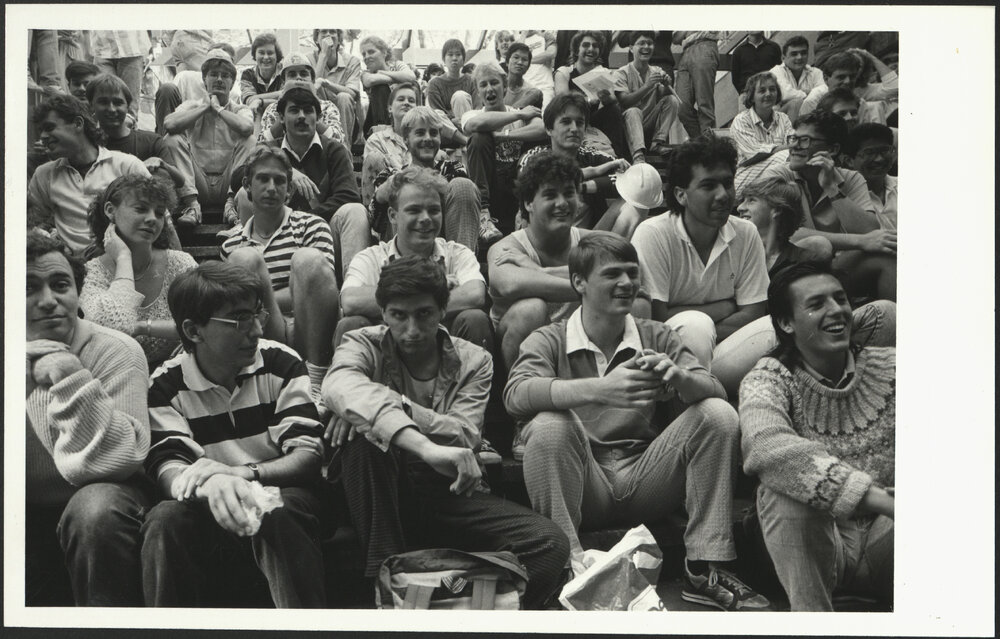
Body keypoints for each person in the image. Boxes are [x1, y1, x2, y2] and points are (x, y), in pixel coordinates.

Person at [504, 232, 771, 611]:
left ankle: (702, 567)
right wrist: (599, 389)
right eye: (613, 274)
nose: (627, 283)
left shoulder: (656, 335)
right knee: (548, 424)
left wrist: (679, 379)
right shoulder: (549, 338)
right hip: (584, 482)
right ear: (579, 282)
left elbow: (712, 387)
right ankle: (568, 568)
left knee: (717, 413)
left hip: (647, 479)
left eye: (632, 273)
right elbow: (516, 395)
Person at [323, 255, 570, 609]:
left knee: (550, 545)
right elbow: (339, 384)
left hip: (448, 490)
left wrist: (390, 406)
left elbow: (463, 435)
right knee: (363, 438)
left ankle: (467, 608)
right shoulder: (362, 342)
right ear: (383, 312)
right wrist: (422, 444)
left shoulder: (474, 359)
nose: (411, 329)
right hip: (377, 496)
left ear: (442, 310)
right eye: (398, 315)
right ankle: (387, 591)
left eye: (423, 314)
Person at [143, 261, 336, 608]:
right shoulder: (166, 386)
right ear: (193, 330)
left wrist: (239, 475)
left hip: (283, 498)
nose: (256, 331)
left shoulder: (281, 363)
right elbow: (168, 468)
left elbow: (307, 457)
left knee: (277, 509)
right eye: (239, 320)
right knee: (164, 518)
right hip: (209, 506)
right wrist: (211, 485)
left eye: (256, 315)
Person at [739, 262, 895, 611]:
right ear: (786, 323)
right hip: (818, 545)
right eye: (817, 304)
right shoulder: (767, 380)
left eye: (840, 298)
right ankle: (813, 624)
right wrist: (871, 496)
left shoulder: (896, 367)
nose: (837, 310)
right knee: (784, 486)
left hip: (889, 538)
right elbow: (766, 446)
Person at [25, 230, 153, 606]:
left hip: (104, 503)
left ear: (77, 292)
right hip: (26, 511)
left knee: (95, 507)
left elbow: (112, 461)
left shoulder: (116, 350)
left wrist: (66, 373)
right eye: (29, 287)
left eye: (60, 284)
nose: (49, 301)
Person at [710, 176, 895, 400]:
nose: (740, 207)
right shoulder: (729, 254)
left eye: (751, 200)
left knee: (884, 311)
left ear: (776, 211)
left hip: (792, 347)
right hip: (733, 351)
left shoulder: (804, 260)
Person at [488, 153, 649, 370]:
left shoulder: (589, 241)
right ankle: (526, 400)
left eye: (569, 193)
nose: (562, 203)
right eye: (550, 195)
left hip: (579, 351)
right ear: (528, 203)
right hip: (522, 359)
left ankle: (625, 390)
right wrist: (600, 287)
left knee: (638, 303)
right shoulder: (506, 248)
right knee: (530, 310)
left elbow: (630, 279)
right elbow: (512, 285)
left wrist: (538, 271)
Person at [631, 134, 769, 372]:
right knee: (696, 326)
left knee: (775, 327)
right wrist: (726, 307)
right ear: (680, 195)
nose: (723, 195)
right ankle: (693, 403)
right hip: (665, 353)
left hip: (725, 349)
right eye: (708, 186)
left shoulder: (746, 233)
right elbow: (656, 319)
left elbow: (754, 313)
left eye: (727, 183)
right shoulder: (653, 234)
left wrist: (706, 325)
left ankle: (713, 390)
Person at [219, 146, 341, 411]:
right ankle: (264, 375)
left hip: (308, 328)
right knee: (245, 259)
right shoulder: (231, 244)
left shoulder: (312, 225)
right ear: (247, 186)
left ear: (290, 190)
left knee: (307, 258)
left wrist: (263, 296)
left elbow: (321, 288)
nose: (272, 187)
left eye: (280, 180)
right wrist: (280, 299)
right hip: (264, 328)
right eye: (263, 179)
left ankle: (315, 380)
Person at [338, 166, 493, 353]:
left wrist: (398, 303)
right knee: (351, 324)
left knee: (474, 319)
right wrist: (434, 288)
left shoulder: (457, 254)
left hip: (445, 357)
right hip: (386, 359)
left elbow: (474, 294)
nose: (426, 218)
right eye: (414, 210)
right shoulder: (370, 258)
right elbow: (351, 300)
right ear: (392, 216)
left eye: (434, 210)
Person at [758, 111, 896, 301]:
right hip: (783, 270)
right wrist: (857, 242)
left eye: (805, 140)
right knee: (818, 245)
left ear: (832, 149)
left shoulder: (851, 178)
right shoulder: (778, 176)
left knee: (886, 253)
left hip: (833, 267)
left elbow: (869, 231)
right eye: (793, 139)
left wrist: (831, 188)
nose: (795, 146)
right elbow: (787, 233)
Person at [80, 175, 197, 370]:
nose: (152, 219)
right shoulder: (91, 273)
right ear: (110, 210)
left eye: (159, 213)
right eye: (141, 209)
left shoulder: (181, 264)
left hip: (180, 373)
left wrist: (142, 327)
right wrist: (123, 257)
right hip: (116, 376)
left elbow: (205, 323)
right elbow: (114, 327)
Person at [28, 93, 151, 254]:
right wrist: (52, 243)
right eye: (41, 131)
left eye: (49, 127)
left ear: (78, 124)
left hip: (122, 262)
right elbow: (30, 225)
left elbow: (161, 221)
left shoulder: (127, 166)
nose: (43, 136)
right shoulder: (44, 174)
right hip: (72, 267)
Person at [85, 73, 202, 227]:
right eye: (103, 102)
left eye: (118, 103)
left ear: (127, 107)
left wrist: (161, 164)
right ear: (91, 105)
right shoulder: (87, 146)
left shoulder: (151, 141)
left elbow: (178, 182)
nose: (111, 109)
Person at [369, 106, 489, 251]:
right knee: (397, 188)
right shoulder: (389, 175)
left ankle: (461, 264)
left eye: (433, 133)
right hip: (401, 254)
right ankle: (407, 265)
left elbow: (463, 200)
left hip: (447, 246)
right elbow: (375, 223)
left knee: (463, 186)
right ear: (406, 139)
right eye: (420, 133)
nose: (428, 138)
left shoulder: (453, 169)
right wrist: (391, 187)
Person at [516, 93, 635, 232]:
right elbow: (530, 184)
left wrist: (583, 187)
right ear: (549, 129)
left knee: (631, 204)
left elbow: (632, 180)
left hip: (584, 244)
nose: (574, 129)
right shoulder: (533, 157)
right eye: (566, 122)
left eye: (579, 123)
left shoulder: (592, 156)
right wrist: (588, 175)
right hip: (541, 238)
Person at [162, 49, 253, 221]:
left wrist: (219, 110)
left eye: (225, 76)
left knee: (249, 141)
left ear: (232, 82)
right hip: (197, 184)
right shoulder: (192, 106)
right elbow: (169, 124)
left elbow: (247, 128)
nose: (219, 79)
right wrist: (205, 107)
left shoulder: (240, 109)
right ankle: (192, 207)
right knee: (171, 139)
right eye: (213, 74)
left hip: (229, 183)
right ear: (204, 79)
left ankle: (231, 205)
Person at [462, 61, 546, 235]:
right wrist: (519, 113)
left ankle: (526, 210)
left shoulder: (523, 116)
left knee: (536, 143)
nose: (489, 89)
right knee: (479, 136)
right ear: (478, 92)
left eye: (494, 83)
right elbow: (475, 125)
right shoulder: (472, 114)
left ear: (505, 86)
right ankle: (482, 216)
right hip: (488, 189)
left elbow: (542, 129)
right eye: (483, 85)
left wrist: (502, 136)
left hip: (515, 187)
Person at [554, 31, 628, 159]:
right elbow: (562, 102)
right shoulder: (564, 72)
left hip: (594, 118)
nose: (591, 49)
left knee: (613, 110)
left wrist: (606, 98)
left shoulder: (603, 72)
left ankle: (618, 157)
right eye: (586, 45)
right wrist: (588, 100)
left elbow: (613, 99)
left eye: (595, 46)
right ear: (577, 50)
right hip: (573, 118)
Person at [614, 31, 681, 163]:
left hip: (647, 125)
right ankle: (638, 155)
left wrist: (666, 85)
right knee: (633, 111)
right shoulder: (621, 72)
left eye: (650, 43)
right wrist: (648, 85)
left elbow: (664, 98)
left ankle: (657, 143)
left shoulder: (656, 70)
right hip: (627, 129)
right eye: (641, 43)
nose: (646, 46)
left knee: (672, 100)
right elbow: (624, 102)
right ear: (631, 47)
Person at [154, 42, 242, 136]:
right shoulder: (184, 77)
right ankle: (162, 143)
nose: (219, 64)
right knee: (167, 89)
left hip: (213, 136)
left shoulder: (234, 91)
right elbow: (169, 103)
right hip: (180, 129)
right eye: (213, 61)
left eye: (225, 63)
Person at [729, 71, 795, 194]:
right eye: (762, 90)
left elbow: (793, 144)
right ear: (752, 96)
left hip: (775, 175)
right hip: (743, 179)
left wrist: (790, 148)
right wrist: (786, 149)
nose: (768, 94)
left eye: (772, 89)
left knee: (794, 161)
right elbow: (755, 153)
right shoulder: (741, 120)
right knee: (789, 158)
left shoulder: (783, 119)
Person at [258, 53, 345, 146]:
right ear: (284, 82)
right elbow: (262, 144)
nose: (298, 78)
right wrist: (282, 111)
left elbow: (338, 141)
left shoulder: (327, 107)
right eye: (292, 74)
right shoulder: (273, 109)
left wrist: (314, 110)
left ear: (312, 80)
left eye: (303, 74)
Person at [311, 29, 363, 145]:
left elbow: (352, 93)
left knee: (344, 96)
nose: (328, 34)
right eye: (324, 31)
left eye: (332, 31)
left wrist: (326, 83)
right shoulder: (308, 59)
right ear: (316, 39)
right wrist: (323, 56)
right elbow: (310, 91)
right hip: (317, 115)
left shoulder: (352, 61)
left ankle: (343, 149)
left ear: (339, 38)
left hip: (345, 118)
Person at [359, 35, 417, 135]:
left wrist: (383, 73)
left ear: (384, 52)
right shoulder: (365, 73)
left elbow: (411, 76)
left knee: (414, 86)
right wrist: (400, 79)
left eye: (371, 52)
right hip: (376, 123)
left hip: (402, 118)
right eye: (364, 54)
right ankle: (383, 134)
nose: (366, 57)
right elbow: (370, 81)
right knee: (380, 87)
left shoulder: (397, 64)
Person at [88, 30, 151, 120]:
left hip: (132, 49)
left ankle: (131, 132)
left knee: (130, 109)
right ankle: (106, 133)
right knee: (103, 102)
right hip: (101, 48)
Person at [845, 123, 897, 231]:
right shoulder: (845, 199)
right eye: (869, 153)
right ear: (849, 161)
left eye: (884, 150)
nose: (879, 159)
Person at [672, 31, 720, 138]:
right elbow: (675, 38)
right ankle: (701, 144)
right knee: (681, 108)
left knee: (704, 105)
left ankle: (710, 147)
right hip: (685, 52)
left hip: (705, 45)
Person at [768, 36, 824, 122]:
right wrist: (810, 94)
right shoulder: (776, 71)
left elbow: (823, 94)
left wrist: (810, 97)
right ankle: (791, 135)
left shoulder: (816, 72)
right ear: (783, 58)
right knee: (795, 104)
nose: (799, 57)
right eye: (794, 54)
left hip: (810, 115)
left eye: (803, 53)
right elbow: (786, 95)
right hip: (777, 120)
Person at [426, 38, 478, 129]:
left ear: (463, 59)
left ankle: (467, 138)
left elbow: (478, 108)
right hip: (446, 129)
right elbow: (436, 113)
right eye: (450, 55)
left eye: (458, 54)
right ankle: (465, 140)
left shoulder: (472, 81)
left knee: (460, 96)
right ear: (444, 59)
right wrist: (451, 120)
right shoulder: (435, 84)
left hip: (469, 125)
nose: (454, 58)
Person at [798, 52, 862, 118]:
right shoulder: (813, 101)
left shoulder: (860, 101)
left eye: (852, 77)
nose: (847, 81)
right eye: (841, 77)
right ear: (826, 79)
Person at [240, 33, 284, 127]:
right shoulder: (248, 74)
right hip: (257, 120)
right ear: (254, 55)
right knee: (256, 109)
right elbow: (249, 100)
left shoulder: (284, 71)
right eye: (261, 52)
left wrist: (260, 101)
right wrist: (280, 93)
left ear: (277, 56)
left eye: (270, 53)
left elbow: (287, 100)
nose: (266, 57)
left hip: (280, 117)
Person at [730, 32, 782, 98]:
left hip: (770, 93)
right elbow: (735, 78)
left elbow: (779, 71)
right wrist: (745, 93)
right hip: (748, 95)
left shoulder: (774, 47)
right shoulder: (738, 52)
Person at [520, 30, 557, 108]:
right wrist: (523, 35)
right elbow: (516, 57)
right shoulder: (519, 40)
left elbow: (551, 53)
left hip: (544, 88)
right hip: (524, 90)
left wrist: (527, 61)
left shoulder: (545, 35)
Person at [504, 42, 543, 109]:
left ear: (528, 67)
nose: (520, 62)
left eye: (524, 59)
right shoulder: (497, 86)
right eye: (516, 57)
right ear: (507, 62)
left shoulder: (531, 92)